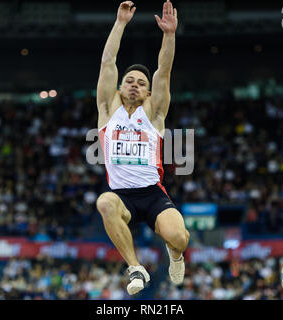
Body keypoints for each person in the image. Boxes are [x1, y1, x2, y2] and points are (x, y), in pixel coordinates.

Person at [96, 0, 190, 295]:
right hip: (122, 197)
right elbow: (108, 62)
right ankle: (135, 268)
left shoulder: (154, 114)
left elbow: (164, 70)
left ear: (148, 92)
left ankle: (174, 254)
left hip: (152, 194)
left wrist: (169, 35)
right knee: (104, 202)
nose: (134, 85)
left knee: (180, 237)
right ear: (120, 87)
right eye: (129, 81)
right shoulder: (107, 110)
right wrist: (120, 23)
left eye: (140, 82)